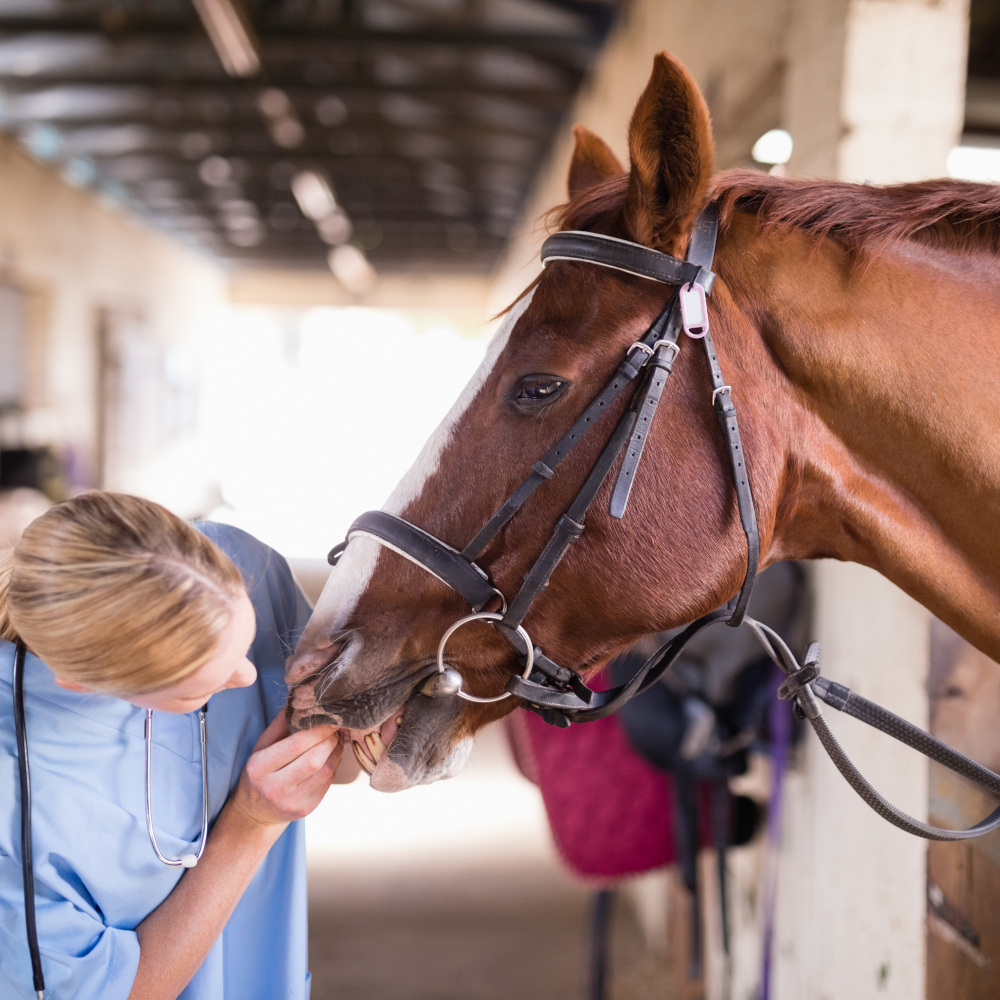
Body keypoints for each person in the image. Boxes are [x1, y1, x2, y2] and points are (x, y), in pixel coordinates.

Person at [0, 491, 343, 1000]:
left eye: (246, 641)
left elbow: (347, 761)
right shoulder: (15, 791)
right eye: (197, 689)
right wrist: (251, 826)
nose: (250, 674)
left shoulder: (244, 563)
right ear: (82, 683)